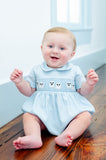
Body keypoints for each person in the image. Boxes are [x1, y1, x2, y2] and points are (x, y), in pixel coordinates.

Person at [10, 27, 99, 150]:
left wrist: (89, 83)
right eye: (50, 46)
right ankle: (34, 137)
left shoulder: (74, 71)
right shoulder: (37, 70)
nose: (55, 51)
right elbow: (29, 91)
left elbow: (82, 91)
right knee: (28, 116)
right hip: (43, 115)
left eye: (62, 48)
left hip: (69, 114)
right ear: (42, 48)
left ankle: (67, 134)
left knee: (85, 116)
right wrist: (20, 82)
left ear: (71, 54)